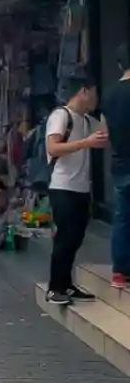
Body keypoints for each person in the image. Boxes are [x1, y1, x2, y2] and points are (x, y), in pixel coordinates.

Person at [44, 73, 107, 305]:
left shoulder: (88, 120)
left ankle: (66, 284)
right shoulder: (61, 116)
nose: (96, 99)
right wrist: (86, 143)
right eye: (95, 93)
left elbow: (106, 137)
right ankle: (54, 288)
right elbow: (53, 148)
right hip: (63, 188)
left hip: (82, 190)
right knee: (65, 237)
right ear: (84, 91)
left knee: (76, 238)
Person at [103, 45, 130, 289]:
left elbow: (104, 132)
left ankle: (120, 272)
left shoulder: (109, 95)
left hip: (120, 161)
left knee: (122, 217)